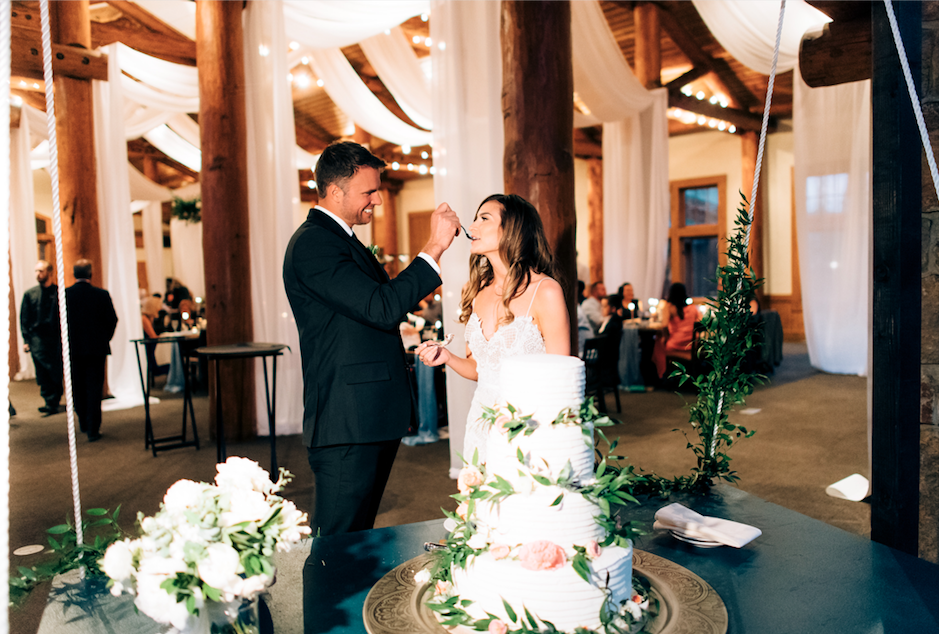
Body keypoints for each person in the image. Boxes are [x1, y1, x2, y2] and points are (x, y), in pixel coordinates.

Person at [283, 140, 460, 535]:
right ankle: (326, 601)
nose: (377, 200)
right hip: (347, 421)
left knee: (357, 538)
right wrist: (434, 247)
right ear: (333, 191)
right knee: (337, 543)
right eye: (368, 191)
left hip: (366, 417)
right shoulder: (315, 244)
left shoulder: (341, 241)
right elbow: (381, 307)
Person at [415, 193, 570, 465]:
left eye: (483, 218)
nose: (472, 226)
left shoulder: (545, 291)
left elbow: (561, 378)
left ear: (513, 229)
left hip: (529, 424)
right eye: (474, 219)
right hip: (482, 420)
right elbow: (481, 370)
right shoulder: (476, 293)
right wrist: (447, 358)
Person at [66, 259, 118, 442]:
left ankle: (83, 421)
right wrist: (104, 338)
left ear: (74, 274)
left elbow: (55, 323)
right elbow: (112, 319)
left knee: (77, 386)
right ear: (91, 274)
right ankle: (93, 429)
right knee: (94, 388)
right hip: (96, 349)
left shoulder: (65, 295)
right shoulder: (101, 295)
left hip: (72, 350)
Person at [20, 260, 63, 416]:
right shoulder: (30, 294)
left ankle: (54, 400)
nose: (38, 274)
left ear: (49, 272)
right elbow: (24, 318)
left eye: (41, 271)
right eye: (36, 271)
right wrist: (26, 340)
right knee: (42, 371)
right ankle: (49, 400)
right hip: (37, 338)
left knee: (54, 369)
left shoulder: (59, 292)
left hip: (54, 338)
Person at [651, 282, 699, 379]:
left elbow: (664, 325)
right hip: (692, 345)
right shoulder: (693, 308)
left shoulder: (669, 307)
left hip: (676, 345)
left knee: (658, 343)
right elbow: (701, 322)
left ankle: (660, 375)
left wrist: (665, 337)